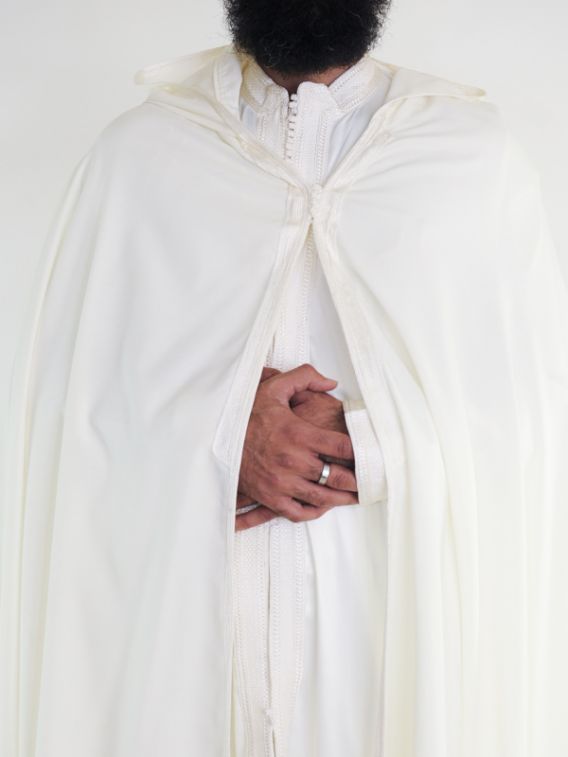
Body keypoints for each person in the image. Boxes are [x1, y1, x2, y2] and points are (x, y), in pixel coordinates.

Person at [2, 1, 567, 756]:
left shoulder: (471, 163)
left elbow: (532, 421)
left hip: (382, 647)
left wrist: (373, 443)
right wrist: (223, 434)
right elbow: (63, 418)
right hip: (184, 656)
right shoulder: (140, 159)